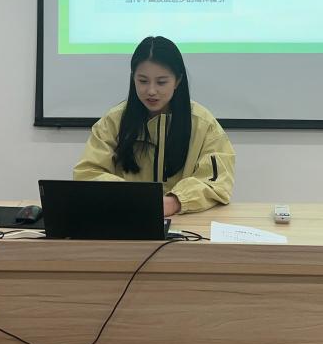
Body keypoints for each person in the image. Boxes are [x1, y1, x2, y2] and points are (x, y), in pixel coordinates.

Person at [74, 36, 235, 215]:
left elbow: (218, 182)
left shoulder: (204, 124)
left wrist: (176, 201)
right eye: (143, 81)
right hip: (126, 217)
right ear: (133, 78)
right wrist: (131, 196)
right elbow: (88, 172)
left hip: (185, 219)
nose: (151, 91)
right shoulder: (113, 121)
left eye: (161, 82)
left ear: (178, 81)